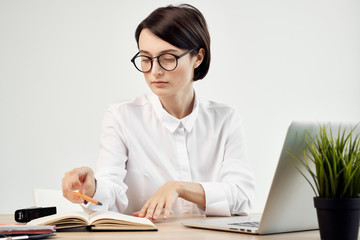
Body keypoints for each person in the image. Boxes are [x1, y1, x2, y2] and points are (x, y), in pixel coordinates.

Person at [62, 4, 255, 221]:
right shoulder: (122, 116)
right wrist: (91, 187)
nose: (155, 71)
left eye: (168, 58)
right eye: (146, 59)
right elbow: (112, 193)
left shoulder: (225, 119)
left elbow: (242, 196)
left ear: (198, 57)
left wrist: (179, 188)